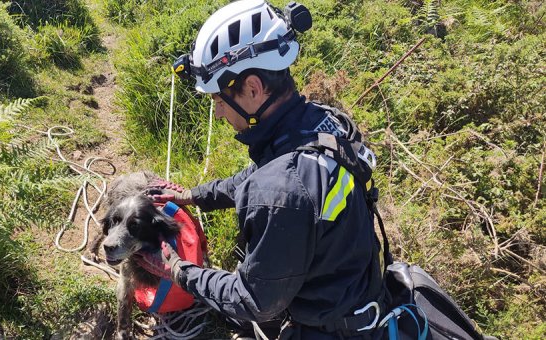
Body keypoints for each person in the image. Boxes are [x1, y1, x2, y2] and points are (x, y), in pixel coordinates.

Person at [142, 1, 387, 338]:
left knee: (238, 308)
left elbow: (255, 299)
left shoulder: (280, 191)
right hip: (351, 286)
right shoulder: (320, 124)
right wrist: (193, 196)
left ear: (253, 89)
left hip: (330, 329)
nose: (218, 114)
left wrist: (177, 270)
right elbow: (261, 175)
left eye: (217, 100)